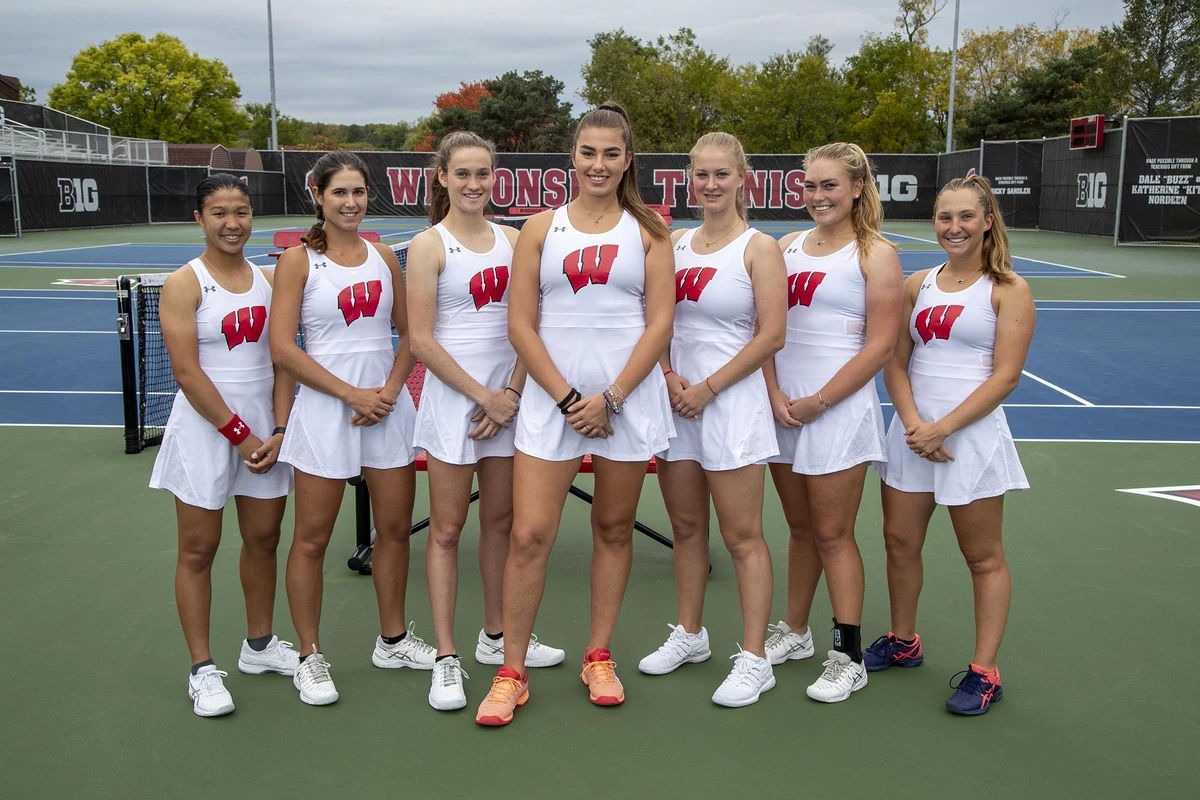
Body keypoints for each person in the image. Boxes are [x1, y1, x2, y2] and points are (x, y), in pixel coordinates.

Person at [474, 102, 675, 726]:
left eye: (611, 153)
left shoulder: (649, 231)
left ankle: (598, 654)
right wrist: (567, 399)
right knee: (529, 535)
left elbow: (660, 324)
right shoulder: (540, 228)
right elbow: (519, 323)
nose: (599, 164)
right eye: (588, 152)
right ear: (573, 157)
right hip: (549, 404)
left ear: (628, 160)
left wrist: (610, 398)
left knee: (614, 530)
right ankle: (512, 671)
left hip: (625, 405)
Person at [406, 131, 565, 712]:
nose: (474, 184)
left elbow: (532, 322)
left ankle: (495, 638)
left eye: (484, 173)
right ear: (442, 177)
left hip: (510, 403)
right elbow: (421, 339)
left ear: (494, 178)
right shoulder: (428, 246)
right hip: (456, 405)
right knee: (446, 530)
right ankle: (446, 659)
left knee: (500, 524)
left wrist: (512, 393)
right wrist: (483, 397)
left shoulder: (517, 239)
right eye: (463, 173)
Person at [271, 152, 433, 707]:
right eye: (339, 192)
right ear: (317, 195)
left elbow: (410, 335)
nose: (350, 202)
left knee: (393, 531)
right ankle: (309, 656)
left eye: (359, 192)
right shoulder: (297, 262)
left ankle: (391, 640)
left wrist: (386, 394)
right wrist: (349, 395)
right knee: (311, 540)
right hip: (324, 415)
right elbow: (283, 347)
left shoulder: (386, 256)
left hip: (386, 412)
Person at [871, 174, 1034, 716]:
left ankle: (986, 671)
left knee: (982, 557)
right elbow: (895, 360)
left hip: (970, 439)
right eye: (945, 217)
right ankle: (903, 639)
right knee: (899, 541)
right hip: (913, 435)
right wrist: (916, 423)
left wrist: (944, 428)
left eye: (966, 217)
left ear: (988, 221)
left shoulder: (1007, 290)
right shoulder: (918, 283)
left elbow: (1005, 377)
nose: (955, 227)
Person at [636, 132, 786, 707]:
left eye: (722, 174)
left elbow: (771, 335)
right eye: (701, 174)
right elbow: (659, 321)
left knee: (743, 537)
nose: (711, 184)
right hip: (678, 404)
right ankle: (690, 634)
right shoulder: (673, 242)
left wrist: (708, 388)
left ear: (742, 178)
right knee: (686, 528)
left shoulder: (758, 248)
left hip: (732, 408)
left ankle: (754, 659)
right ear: (688, 178)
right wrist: (674, 379)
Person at [762, 142, 904, 703]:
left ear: (857, 190)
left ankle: (847, 654)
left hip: (837, 412)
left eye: (830, 186)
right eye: (810, 186)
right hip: (783, 410)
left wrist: (819, 401)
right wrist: (774, 392)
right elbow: (766, 329)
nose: (818, 196)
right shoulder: (785, 247)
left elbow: (880, 347)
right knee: (799, 529)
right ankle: (794, 631)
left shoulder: (876, 254)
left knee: (832, 533)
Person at [151, 173, 297, 717]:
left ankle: (258, 646)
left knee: (263, 539)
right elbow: (187, 373)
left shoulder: (268, 279)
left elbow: (283, 360)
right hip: (208, 434)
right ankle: (202, 668)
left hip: (264, 434)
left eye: (241, 211)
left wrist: (278, 431)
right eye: (219, 213)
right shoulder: (183, 284)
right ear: (199, 218)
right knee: (198, 549)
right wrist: (239, 437)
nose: (232, 223)